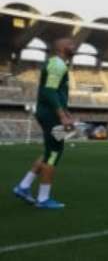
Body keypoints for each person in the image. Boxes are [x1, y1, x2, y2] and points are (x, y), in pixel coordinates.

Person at [13, 38, 76, 209]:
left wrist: (65, 110)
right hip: (51, 115)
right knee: (54, 154)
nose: (74, 45)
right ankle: (43, 199)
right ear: (62, 47)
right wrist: (61, 115)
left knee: (50, 151)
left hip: (50, 113)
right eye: (71, 43)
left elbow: (56, 91)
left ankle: (24, 186)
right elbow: (49, 92)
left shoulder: (59, 64)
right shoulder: (57, 64)